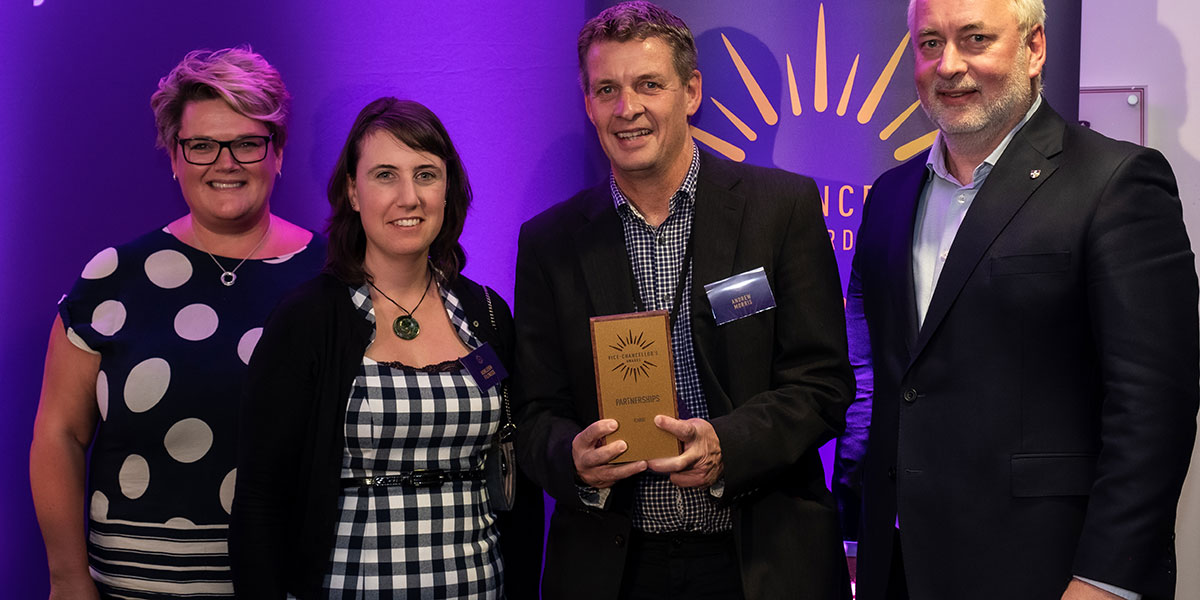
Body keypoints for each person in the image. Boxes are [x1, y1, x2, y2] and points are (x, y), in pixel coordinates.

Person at [836, 0, 1200, 597]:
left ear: (1035, 49)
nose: (948, 65)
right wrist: (857, 535)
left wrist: (1104, 581)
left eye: (974, 39)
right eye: (929, 44)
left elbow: (1153, 412)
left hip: (1048, 571)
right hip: (899, 566)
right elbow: (878, 383)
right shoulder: (889, 197)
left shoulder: (1116, 184)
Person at [513, 2, 854, 599]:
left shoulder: (783, 209)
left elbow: (822, 385)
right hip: (615, 568)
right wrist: (572, 459)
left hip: (761, 562)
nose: (628, 109)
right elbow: (534, 410)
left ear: (691, 90)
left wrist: (729, 445)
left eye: (649, 84)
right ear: (588, 103)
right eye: (607, 89)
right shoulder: (549, 242)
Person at [28, 46, 324, 598]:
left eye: (247, 143)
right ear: (173, 157)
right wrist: (67, 578)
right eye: (202, 145)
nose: (225, 162)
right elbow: (58, 433)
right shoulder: (113, 277)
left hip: (288, 581)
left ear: (278, 152)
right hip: (132, 588)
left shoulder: (333, 279)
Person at [229, 97, 543, 599]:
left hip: (479, 587)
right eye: (384, 176)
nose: (408, 197)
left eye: (425, 174)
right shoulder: (307, 320)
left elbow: (520, 483)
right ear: (352, 192)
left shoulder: (487, 313)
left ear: (448, 190)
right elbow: (260, 500)